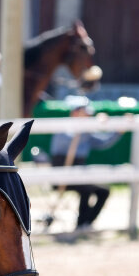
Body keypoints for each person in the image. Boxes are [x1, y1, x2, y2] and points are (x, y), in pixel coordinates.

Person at [49, 96, 122, 231]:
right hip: (63, 177)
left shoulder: (86, 133)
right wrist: (91, 125)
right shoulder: (63, 129)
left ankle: (86, 222)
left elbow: (103, 142)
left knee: (103, 191)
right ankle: (81, 223)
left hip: (78, 176)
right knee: (86, 188)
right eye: (85, 114)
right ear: (75, 113)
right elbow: (67, 140)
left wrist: (117, 133)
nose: (88, 116)